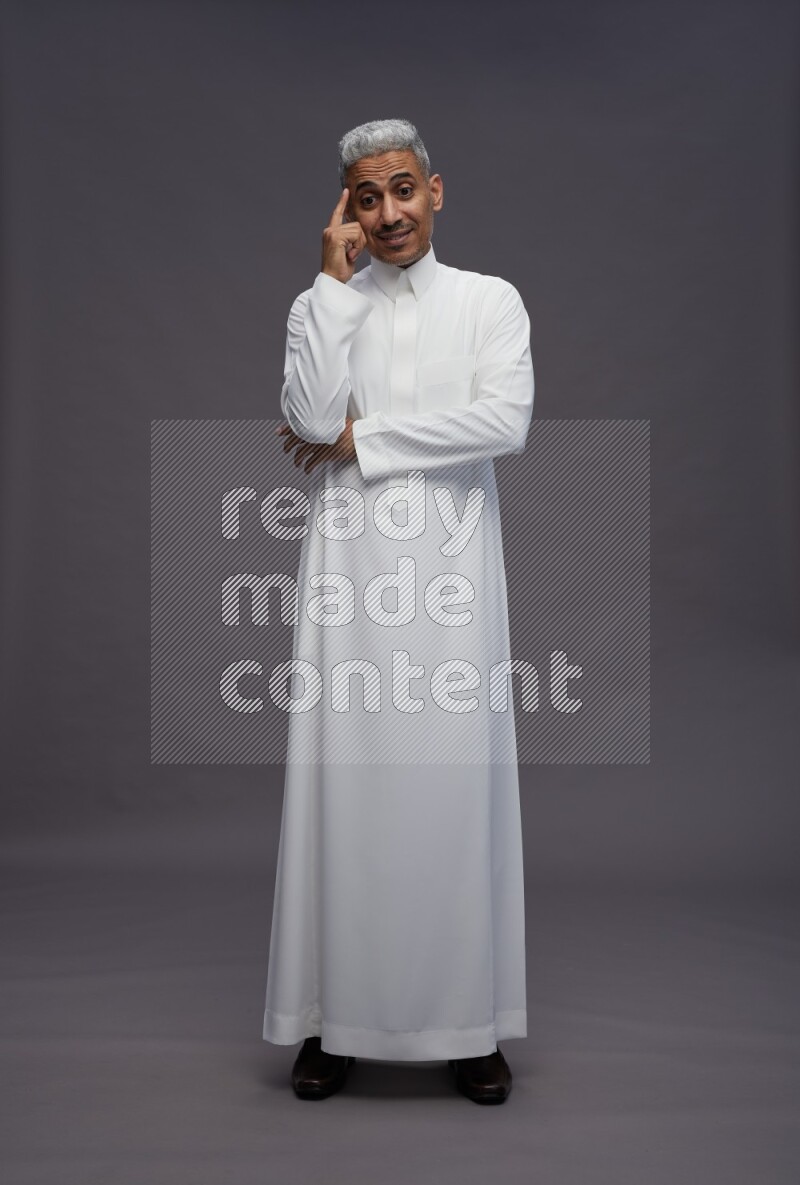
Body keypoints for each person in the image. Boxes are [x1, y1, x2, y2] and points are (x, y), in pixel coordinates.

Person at [263, 118, 535, 1104]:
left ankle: (467, 1026)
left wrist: (361, 440)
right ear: (347, 211)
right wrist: (328, 288)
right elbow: (302, 416)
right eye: (365, 198)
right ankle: (330, 1023)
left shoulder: (488, 301)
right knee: (346, 787)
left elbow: (501, 420)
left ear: (435, 190)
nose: (387, 214)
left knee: (451, 793)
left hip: (454, 576)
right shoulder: (322, 304)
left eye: (402, 190)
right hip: (348, 574)